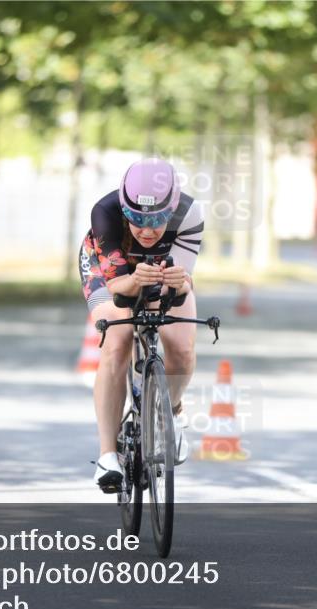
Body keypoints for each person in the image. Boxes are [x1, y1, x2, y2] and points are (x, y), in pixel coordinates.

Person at [79, 158, 204, 493]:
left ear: (173, 210)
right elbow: (118, 288)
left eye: (158, 221)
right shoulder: (104, 212)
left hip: (160, 273)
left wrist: (178, 284)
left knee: (181, 346)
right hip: (109, 272)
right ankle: (108, 455)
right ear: (124, 207)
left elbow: (178, 288)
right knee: (117, 340)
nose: (147, 230)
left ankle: (173, 412)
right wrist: (134, 280)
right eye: (137, 220)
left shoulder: (190, 213)